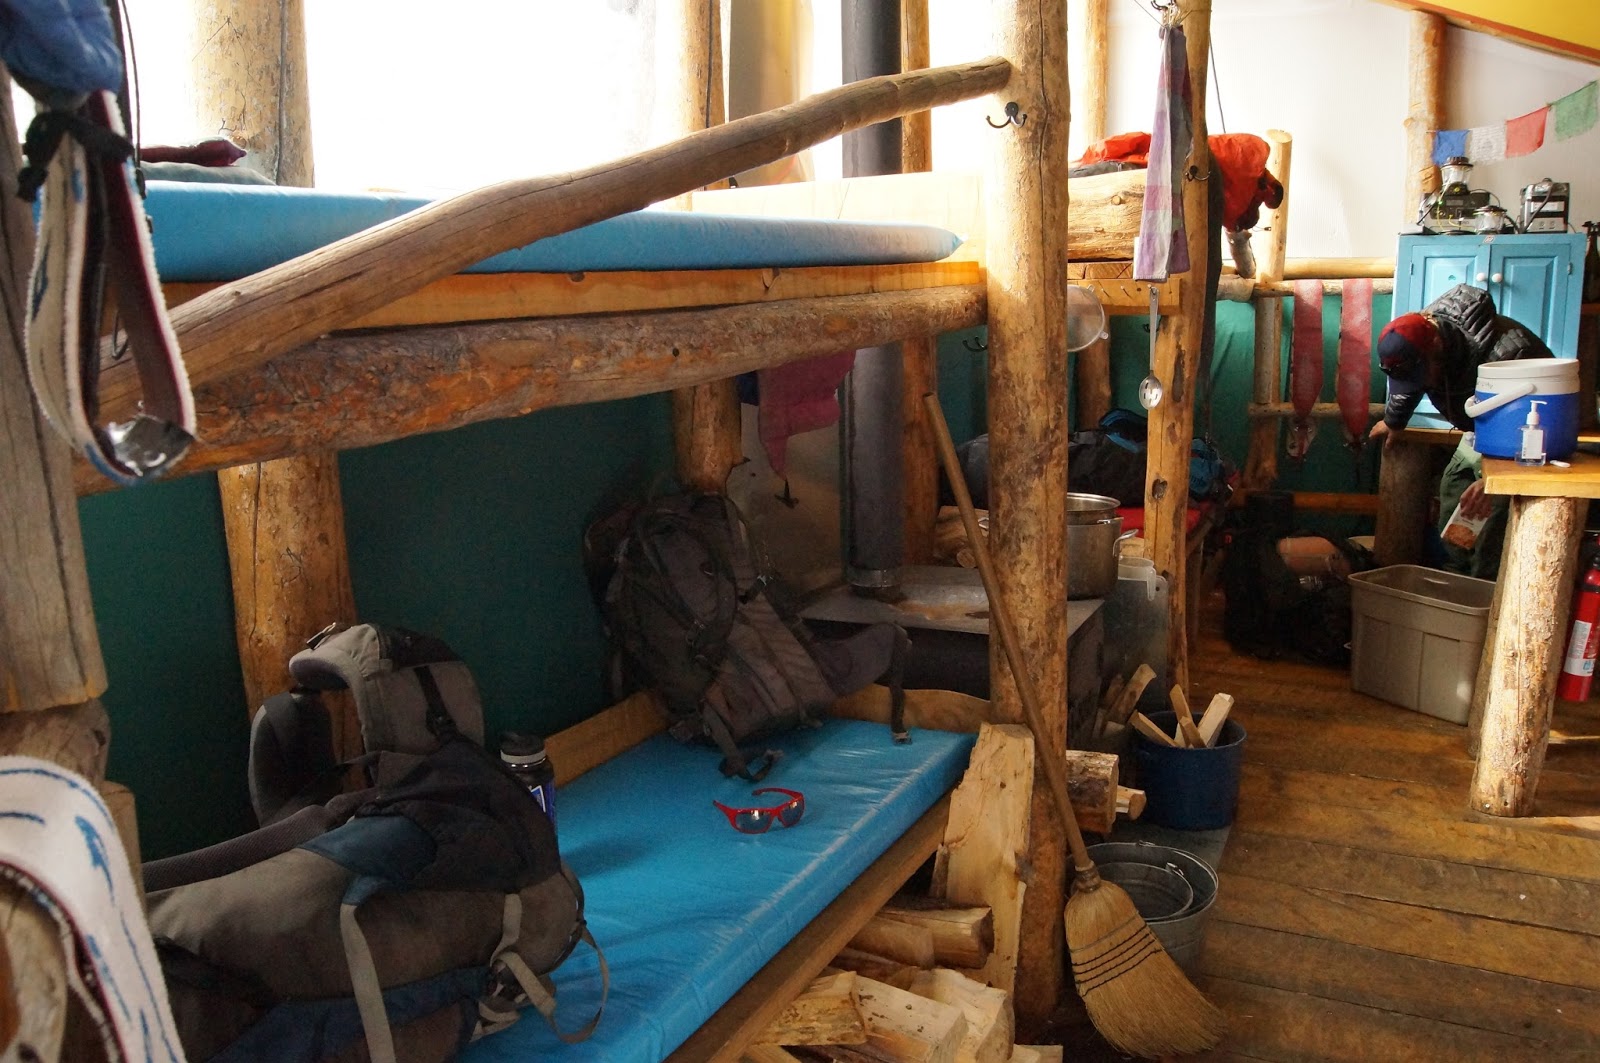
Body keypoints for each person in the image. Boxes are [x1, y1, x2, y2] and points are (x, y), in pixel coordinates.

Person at [1368, 282, 1556, 579]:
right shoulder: (1423, 335)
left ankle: (1485, 591)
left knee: (1490, 516)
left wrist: (1493, 481)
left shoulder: (1506, 354)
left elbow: (1531, 423)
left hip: (1525, 438)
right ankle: (1455, 578)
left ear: (1438, 349)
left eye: (1421, 375)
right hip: (1480, 428)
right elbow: (1411, 383)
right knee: (1453, 490)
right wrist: (1394, 421)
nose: (1422, 384)